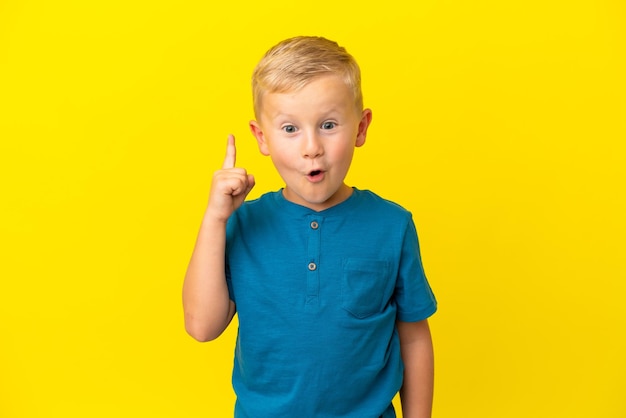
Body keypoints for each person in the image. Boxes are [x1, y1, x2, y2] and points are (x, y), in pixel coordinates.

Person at [183, 36, 437, 418]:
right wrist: (215, 219)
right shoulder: (243, 224)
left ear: (361, 127)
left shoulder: (392, 225)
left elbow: (414, 337)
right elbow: (202, 327)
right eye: (290, 129)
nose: (311, 147)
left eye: (328, 125)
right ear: (261, 138)